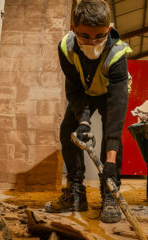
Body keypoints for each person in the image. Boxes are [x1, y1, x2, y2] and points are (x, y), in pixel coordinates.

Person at [45, 0, 132, 224]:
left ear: (109, 29)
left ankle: (110, 191)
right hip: (83, 92)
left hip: (109, 94)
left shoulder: (118, 53)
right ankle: (75, 192)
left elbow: (115, 114)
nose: (92, 42)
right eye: (84, 36)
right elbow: (74, 90)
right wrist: (83, 122)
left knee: (112, 139)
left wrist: (110, 162)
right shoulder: (66, 47)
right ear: (74, 29)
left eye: (100, 36)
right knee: (68, 131)